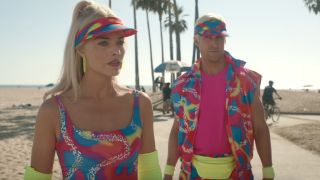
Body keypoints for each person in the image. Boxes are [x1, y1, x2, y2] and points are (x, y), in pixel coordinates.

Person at [24, 1, 162, 179]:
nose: (116, 51)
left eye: (120, 42)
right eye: (103, 43)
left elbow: (150, 173)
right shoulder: (54, 111)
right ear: (80, 49)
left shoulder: (140, 103)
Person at [164, 14, 274, 180]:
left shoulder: (244, 81)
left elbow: (260, 127)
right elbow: (176, 128)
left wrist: (268, 171)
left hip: (238, 172)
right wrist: (168, 171)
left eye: (219, 37)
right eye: (208, 38)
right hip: (192, 173)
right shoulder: (184, 84)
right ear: (196, 41)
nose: (214, 43)